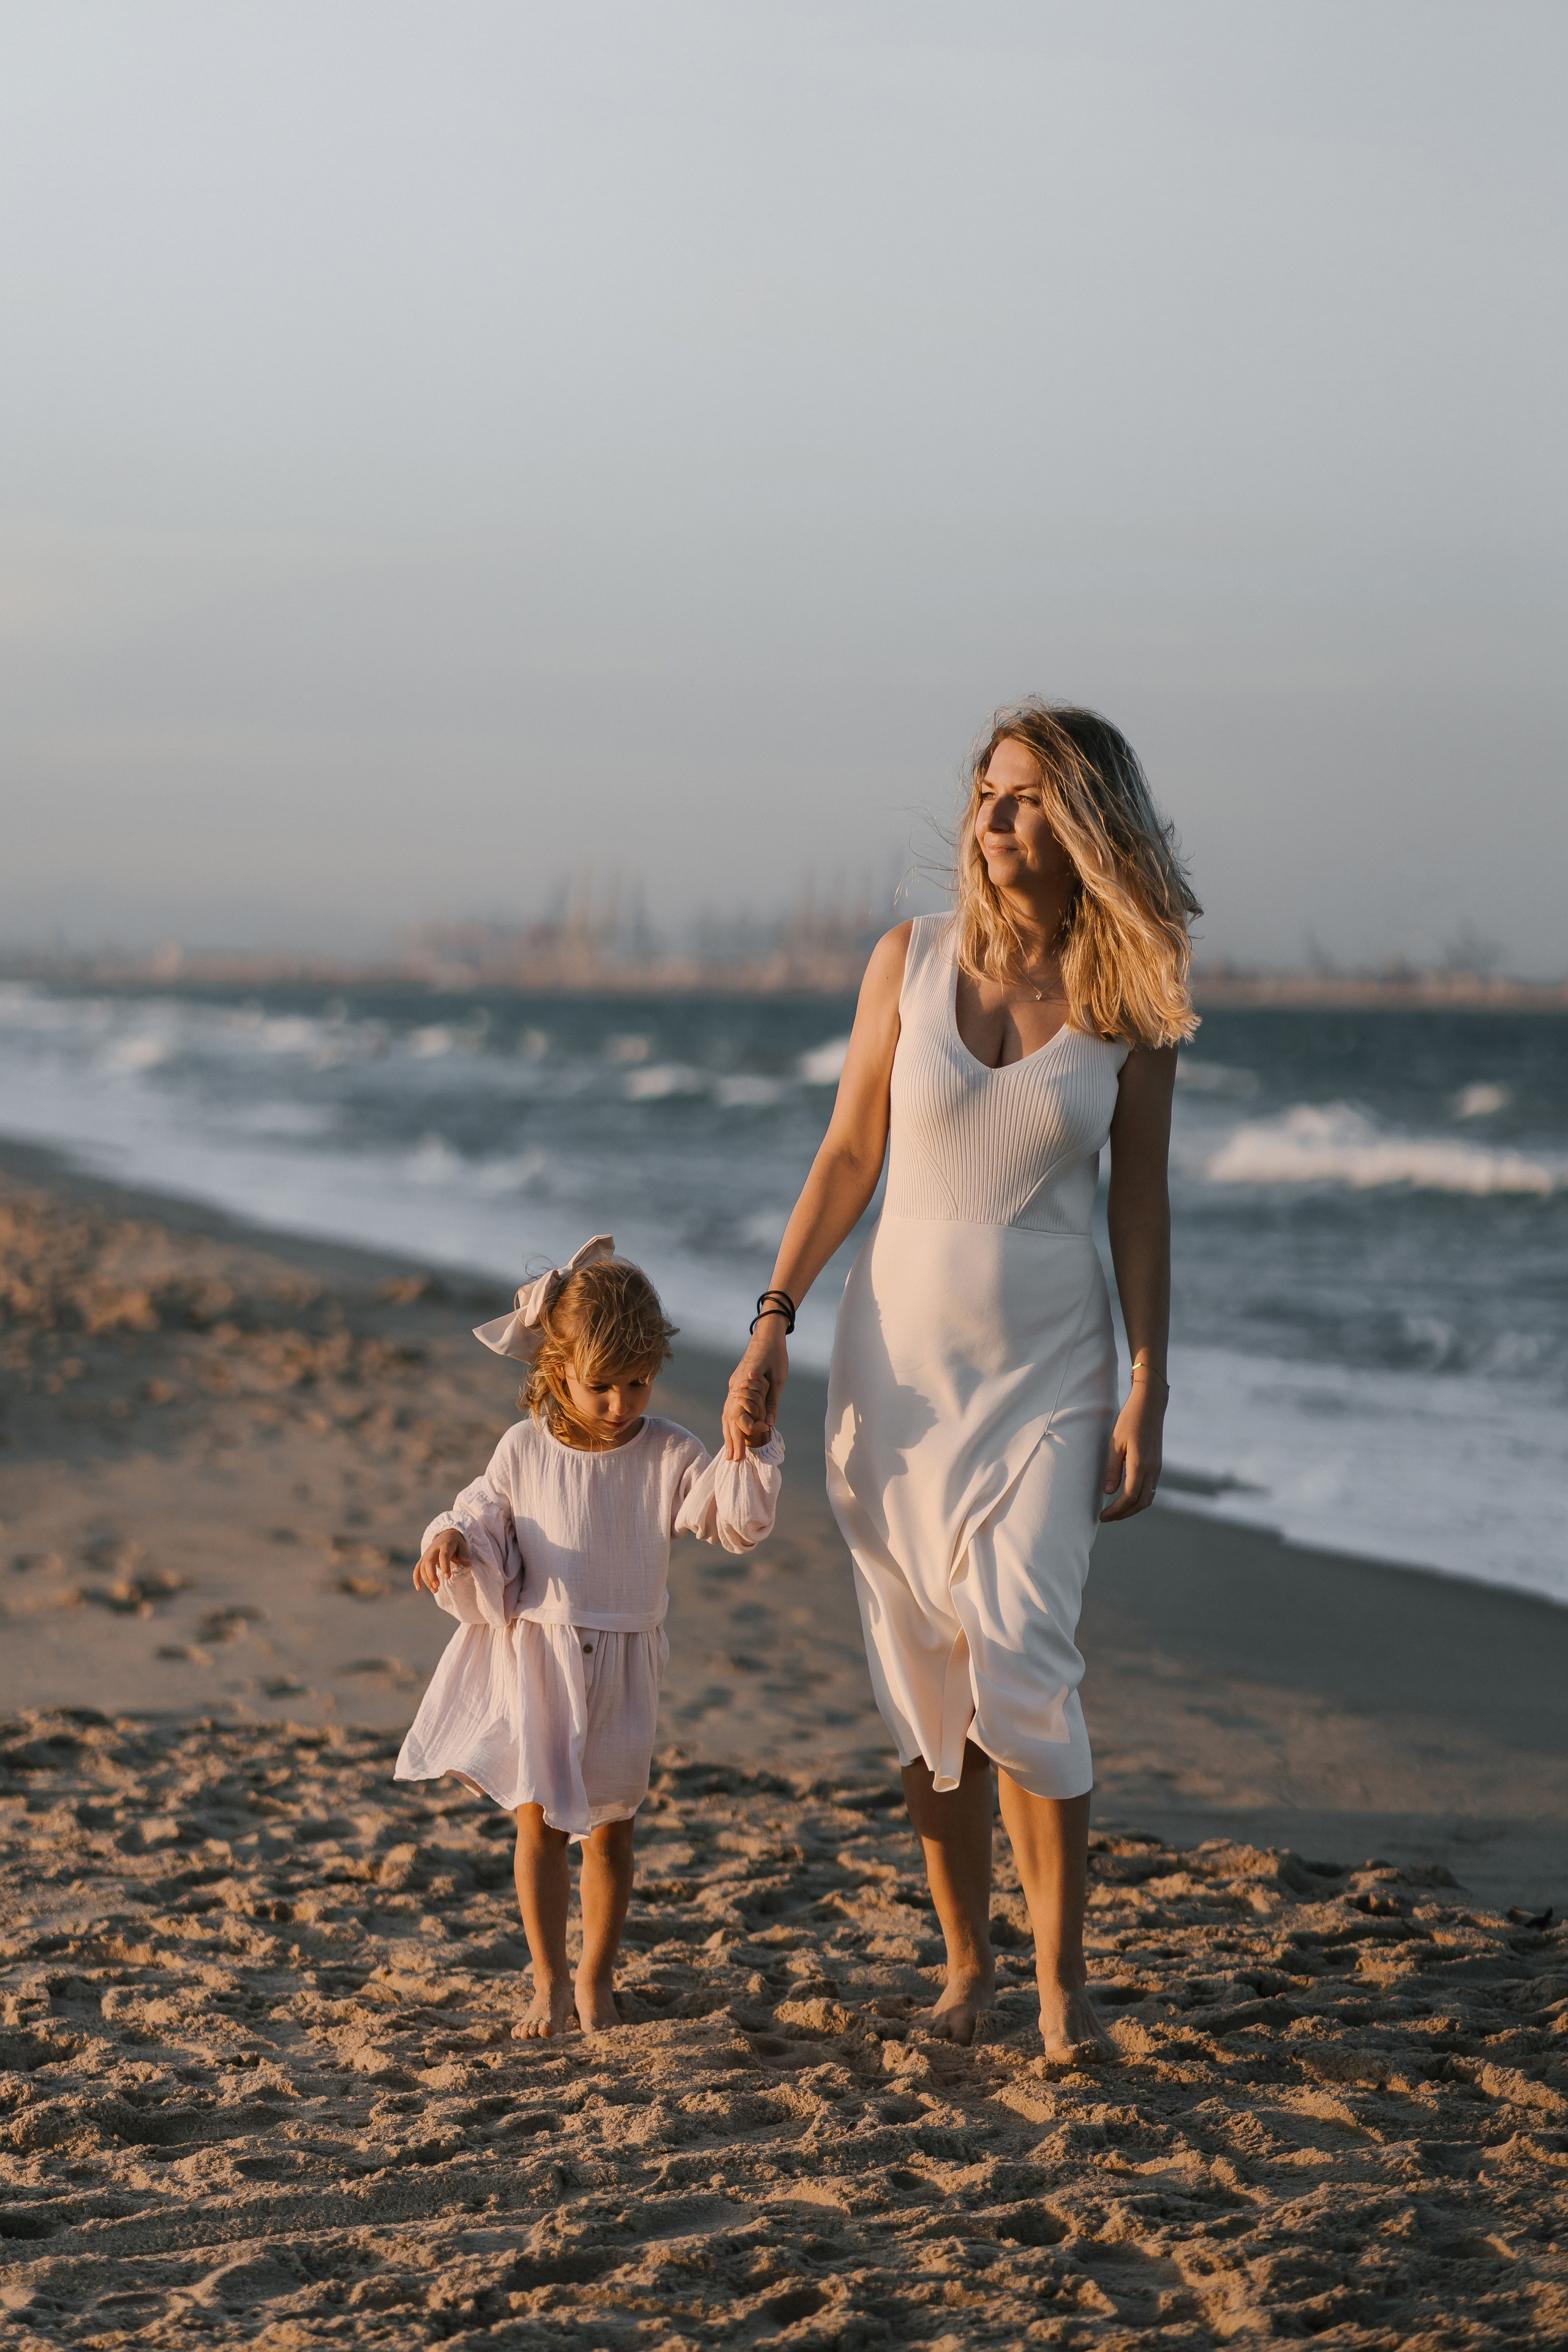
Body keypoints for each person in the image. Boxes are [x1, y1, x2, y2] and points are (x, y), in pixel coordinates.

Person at [723, 701, 1198, 2059]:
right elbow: (845, 1158)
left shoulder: (1130, 996)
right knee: (927, 1684)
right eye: (988, 797)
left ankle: (1059, 1989)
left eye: (1028, 800)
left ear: (1087, 824)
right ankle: (964, 1966)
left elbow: (1141, 1211)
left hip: (1050, 1372)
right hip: (892, 1376)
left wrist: (1147, 1383)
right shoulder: (907, 961)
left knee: (1026, 1661)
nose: (995, 823)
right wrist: (772, 1320)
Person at [397, 1237, 783, 2039]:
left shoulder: (670, 1450)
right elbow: (481, 1515)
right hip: (539, 1660)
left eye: (638, 1383)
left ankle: (595, 1977)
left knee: (613, 1827)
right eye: (600, 1385)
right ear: (556, 1367)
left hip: (625, 1664)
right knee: (537, 1824)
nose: (619, 1404)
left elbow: (729, 1517)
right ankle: (544, 1979)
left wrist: (748, 1445)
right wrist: (453, 1540)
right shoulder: (524, 1449)